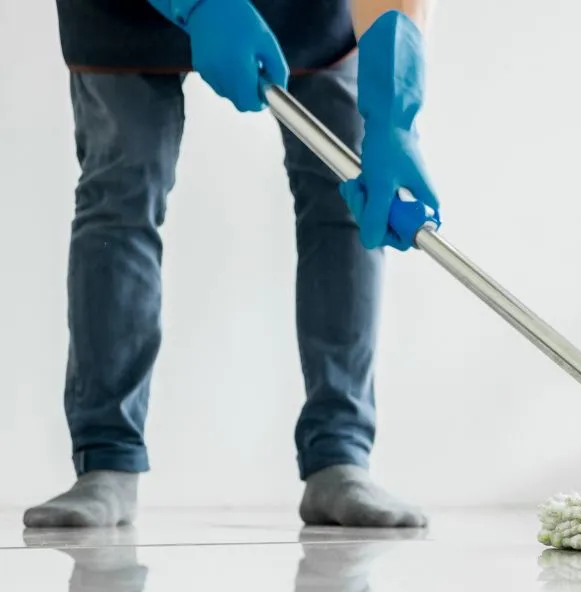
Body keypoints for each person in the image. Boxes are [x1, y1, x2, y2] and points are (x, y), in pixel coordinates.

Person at [24, 0, 440, 528]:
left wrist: (394, 114)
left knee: (347, 194)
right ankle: (105, 462)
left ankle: (341, 456)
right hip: (126, 16)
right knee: (121, 194)